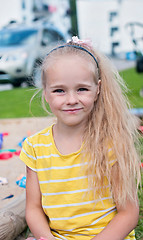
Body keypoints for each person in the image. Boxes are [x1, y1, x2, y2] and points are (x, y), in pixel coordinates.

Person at [20, 36, 141, 240]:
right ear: (46, 94)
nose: (72, 100)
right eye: (59, 90)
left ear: (98, 89)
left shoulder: (111, 144)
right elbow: (33, 208)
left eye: (82, 89)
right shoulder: (35, 147)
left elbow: (128, 214)